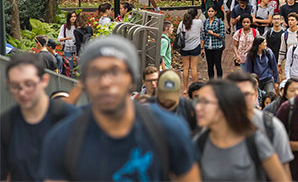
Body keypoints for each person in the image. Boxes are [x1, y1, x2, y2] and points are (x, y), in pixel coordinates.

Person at [39, 36, 201, 181]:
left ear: (132, 80)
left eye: (115, 71)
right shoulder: (62, 139)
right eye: (95, 73)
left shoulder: (169, 129)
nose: (106, 82)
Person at [1, 52, 79, 181]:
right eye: (15, 86)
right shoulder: (6, 124)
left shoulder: (71, 118)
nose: (22, 92)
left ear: (44, 80)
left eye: (29, 84)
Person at [193, 79, 289, 181]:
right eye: (197, 101)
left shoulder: (255, 141)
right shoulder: (199, 142)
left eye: (205, 102)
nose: (198, 107)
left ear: (224, 105)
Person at [226, 71, 295, 176]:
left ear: (255, 95)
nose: (241, 99)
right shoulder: (212, 129)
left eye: (246, 94)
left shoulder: (272, 127)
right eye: (235, 93)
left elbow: (284, 170)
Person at [177, 8, 203, 93]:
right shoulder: (198, 22)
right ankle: (195, 89)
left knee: (185, 68)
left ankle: (185, 89)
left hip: (184, 47)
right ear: (195, 15)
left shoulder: (182, 23)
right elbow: (201, 31)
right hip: (195, 47)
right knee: (194, 68)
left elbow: (178, 33)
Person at [201, 6, 226, 79]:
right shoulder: (205, 22)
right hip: (208, 47)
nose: (210, 13)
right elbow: (203, 36)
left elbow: (223, 35)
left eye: (212, 11)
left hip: (217, 47)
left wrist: (213, 34)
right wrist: (202, 48)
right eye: (209, 11)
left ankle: (219, 82)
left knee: (218, 65)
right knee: (210, 66)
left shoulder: (219, 22)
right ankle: (211, 82)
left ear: (215, 12)